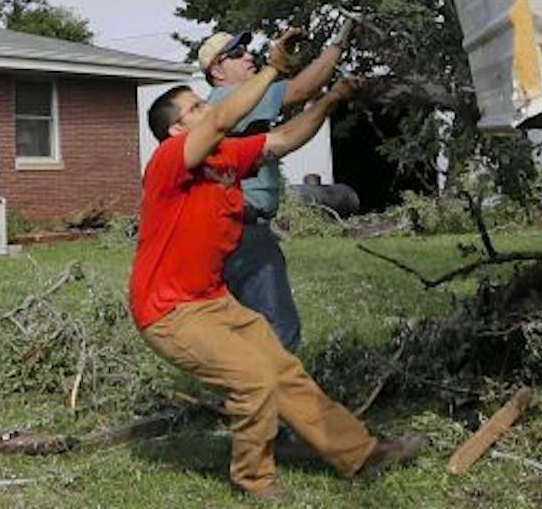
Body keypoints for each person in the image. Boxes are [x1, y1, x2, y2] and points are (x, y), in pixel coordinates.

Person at [134, 30, 422, 500]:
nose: (207, 109)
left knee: (284, 371)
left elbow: (284, 139)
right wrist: (273, 69)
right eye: (196, 109)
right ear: (176, 130)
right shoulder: (170, 161)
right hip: (169, 311)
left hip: (213, 301)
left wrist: (328, 102)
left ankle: (361, 454)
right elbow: (227, 114)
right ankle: (255, 479)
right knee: (254, 380)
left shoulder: (225, 157)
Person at [196, 16, 352, 351]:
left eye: (247, 50)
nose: (249, 56)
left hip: (224, 231)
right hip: (245, 231)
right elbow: (304, 89)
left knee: (240, 331)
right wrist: (341, 39)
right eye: (237, 53)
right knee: (279, 329)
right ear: (217, 72)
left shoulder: (221, 106)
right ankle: (284, 398)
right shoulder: (232, 97)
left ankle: (245, 396)